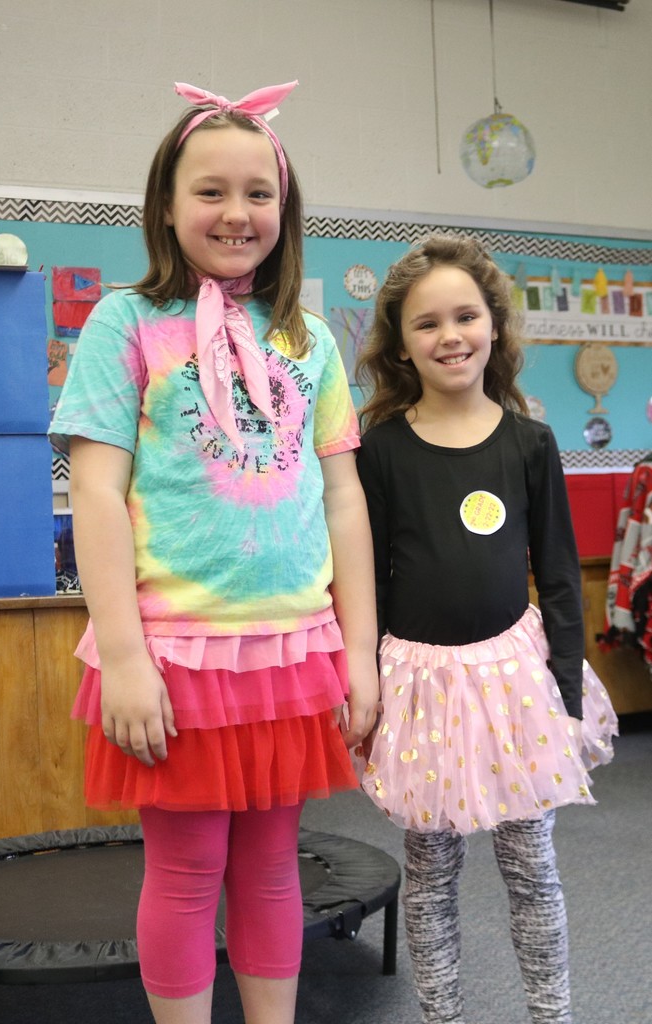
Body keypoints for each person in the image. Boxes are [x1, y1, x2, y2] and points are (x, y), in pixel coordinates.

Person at [49, 80, 379, 1024]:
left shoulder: (309, 337)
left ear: (286, 208)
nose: (236, 213)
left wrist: (357, 650)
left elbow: (343, 497)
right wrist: (121, 654)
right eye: (210, 191)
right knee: (188, 871)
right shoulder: (123, 324)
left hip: (292, 652)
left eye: (258, 193)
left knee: (275, 868)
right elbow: (97, 491)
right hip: (178, 654)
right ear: (164, 204)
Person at [354, 234, 618, 1024]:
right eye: (426, 323)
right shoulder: (382, 450)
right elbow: (362, 580)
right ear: (400, 345)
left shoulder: (529, 444)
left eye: (465, 316)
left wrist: (565, 695)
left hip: (514, 686)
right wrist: (361, 684)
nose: (450, 336)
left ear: (494, 326)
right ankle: (441, 1015)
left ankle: (550, 1013)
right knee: (430, 871)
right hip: (418, 686)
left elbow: (561, 576)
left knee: (530, 867)